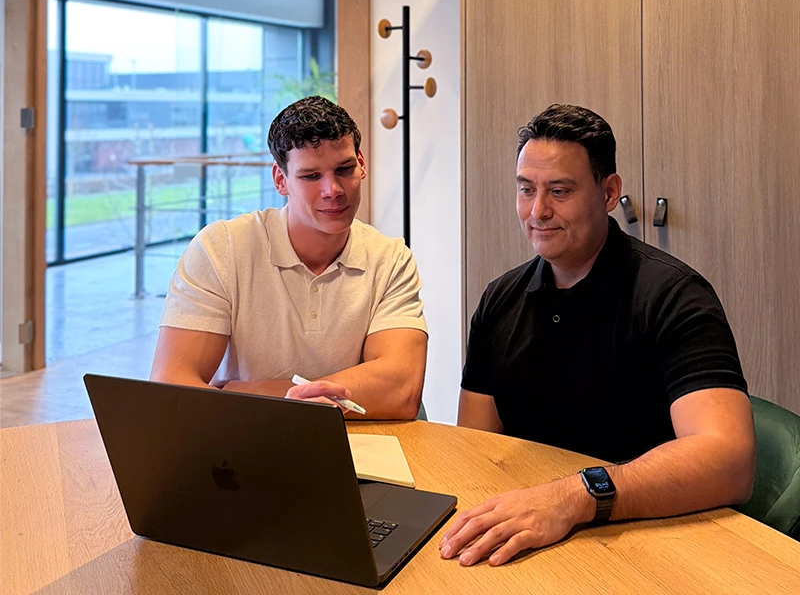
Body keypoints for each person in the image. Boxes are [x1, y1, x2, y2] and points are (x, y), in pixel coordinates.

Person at [439, 104, 756, 566]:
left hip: (649, 542)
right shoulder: (499, 300)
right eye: (526, 190)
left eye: (559, 191)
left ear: (609, 193)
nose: (538, 211)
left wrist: (574, 497)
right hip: (531, 540)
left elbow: (730, 460)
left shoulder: (675, 296)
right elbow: (475, 449)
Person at [150, 96, 428, 420]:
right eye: (311, 176)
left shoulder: (390, 258)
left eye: (344, 169)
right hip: (249, 436)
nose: (333, 189)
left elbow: (401, 389)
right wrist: (317, 401)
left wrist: (258, 394)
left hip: (359, 440)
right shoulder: (221, 248)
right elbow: (171, 387)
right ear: (280, 179)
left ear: (361, 163)